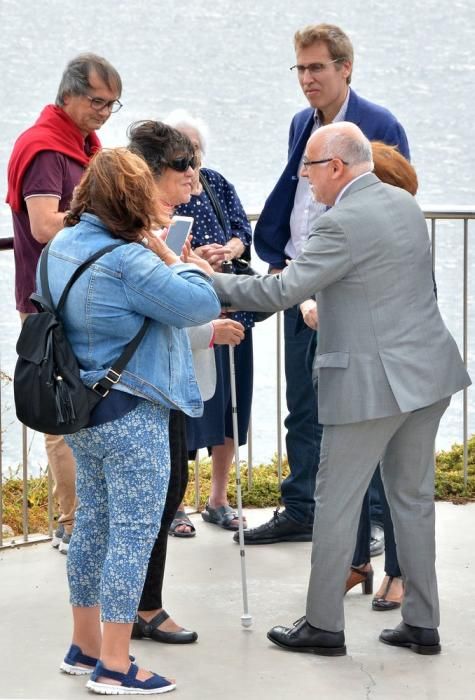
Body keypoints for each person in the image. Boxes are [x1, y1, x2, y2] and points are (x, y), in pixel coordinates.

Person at [212, 122, 470, 656]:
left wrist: (200, 278)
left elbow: (280, 289)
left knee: (335, 503)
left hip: (370, 386)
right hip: (427, 375)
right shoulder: (402, 204)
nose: (304, 178)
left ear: (335, 167)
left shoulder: (340, 223)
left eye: (307, 167)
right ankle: (422, 622)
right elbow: (376, 287)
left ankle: (324, 625)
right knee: (414, 501)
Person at [46, 147, 220, 693]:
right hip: (131, 413)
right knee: (132, 536)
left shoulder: (62, 244)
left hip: (83, 411)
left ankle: (84, 645)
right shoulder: (130, 260)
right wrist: (169, 254)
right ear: (134, 197)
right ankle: (116, 665)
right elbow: (200, 304)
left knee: (93, 528)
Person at [243, 23, 410, 545]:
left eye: (317, 67)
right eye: (301, 67)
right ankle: (301, 508)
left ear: (345, 68)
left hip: (352, 293)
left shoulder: (378, 123)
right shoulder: (301, 123)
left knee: (365, 410)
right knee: (303, 407)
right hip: (299, 282)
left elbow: (397, 199)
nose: (307, 78)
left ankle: (374, 521)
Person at [126, 121, 244, 646]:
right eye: (184, 179)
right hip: (149, 385)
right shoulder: (138, 236)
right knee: (154, 495)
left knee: (167, 487)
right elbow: (178, 306)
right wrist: (190, 272)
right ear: (154, 176)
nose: (192, 190)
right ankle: (139, 609)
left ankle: (128, 614)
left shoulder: (152, 227)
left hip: (165, 381)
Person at [6, 53, 122, 553]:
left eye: (112, 105)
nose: (103, 113)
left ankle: (86, 518)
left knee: (87, 404)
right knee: (63, 408)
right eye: (97, 101)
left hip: (82, 293)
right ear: (68, 93)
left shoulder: (82, 144)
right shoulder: (44, 148)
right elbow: (43, 224)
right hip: (52, 299)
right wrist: (106, 221)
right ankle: (73, 522)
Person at [302, 140, 420, 610]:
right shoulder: (368, 222)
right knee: (367, 485)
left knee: (381, 487)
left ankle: (395, 574)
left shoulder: (379, 223)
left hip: (385, 374)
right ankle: (358, 566)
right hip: (353, 365)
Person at [166, 109, 255, 532]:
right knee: (187, 408)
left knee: (232, 410)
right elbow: (163, 247)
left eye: (195, 149)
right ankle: (176, 504)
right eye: (182, 151)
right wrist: (197, 260)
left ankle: (218, 499)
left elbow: (243, 230)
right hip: (193, 315)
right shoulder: (165, 193)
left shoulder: (217, 183)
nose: (190, 159)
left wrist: (231, 249)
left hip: (231, 308)